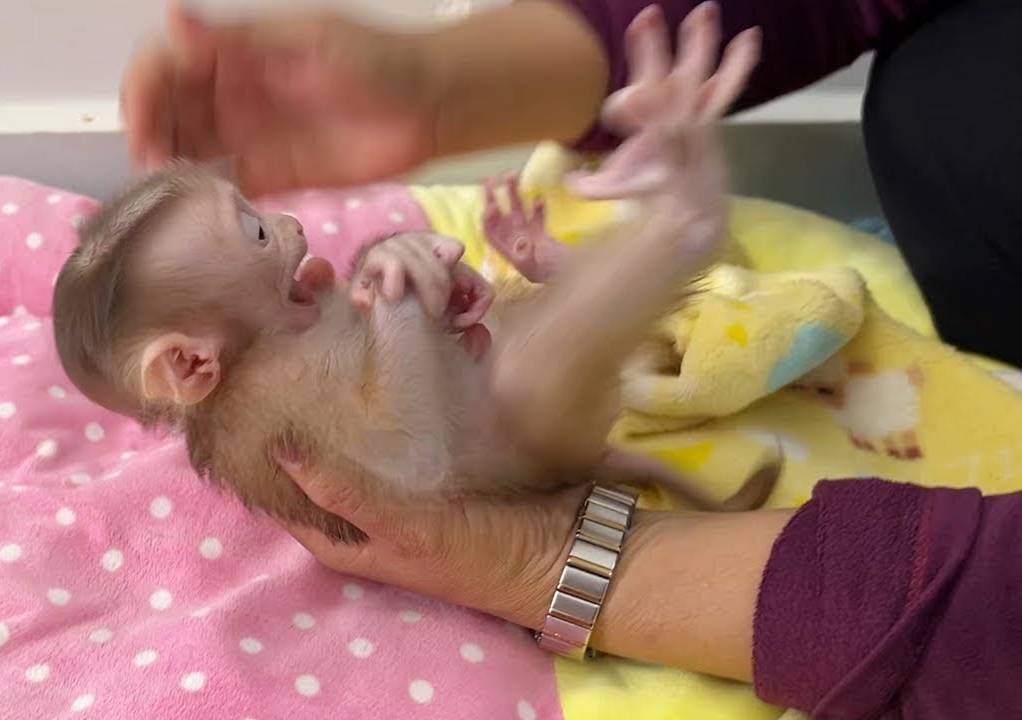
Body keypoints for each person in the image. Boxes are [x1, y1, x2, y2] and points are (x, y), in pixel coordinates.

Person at [119, 1, 1022, 716]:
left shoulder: (276, 348)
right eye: (252, 234)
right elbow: (419, 458)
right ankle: (678, 223)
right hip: (483, 452)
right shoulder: (259, 405)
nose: (293, 232)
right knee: (932, 93)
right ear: (189, 367)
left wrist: (420, 297)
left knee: (540, 338)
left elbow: (414, 389)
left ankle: (674, 227)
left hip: (496, 438)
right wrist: (432, 96)